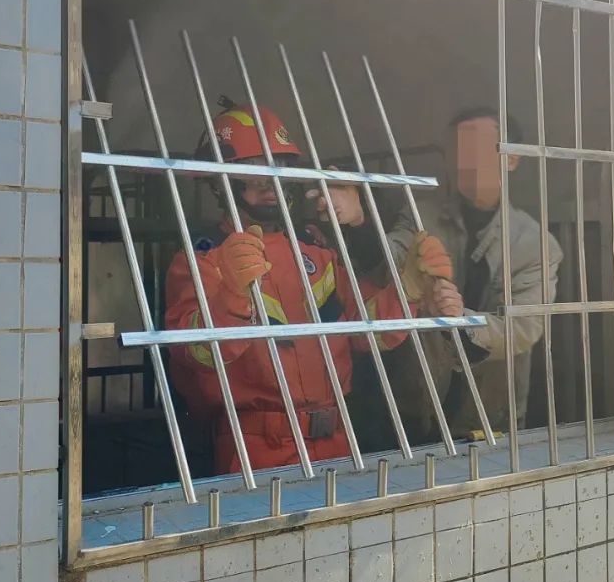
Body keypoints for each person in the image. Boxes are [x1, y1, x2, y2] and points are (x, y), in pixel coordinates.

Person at [163, 102, 463, 474]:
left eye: (278, 167)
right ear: (219, 182)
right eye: (252, 171)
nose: (269, 183)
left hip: (337, 438)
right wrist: (232, 298)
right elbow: (192, 354)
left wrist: (407, 292)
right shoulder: (201, 258)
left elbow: (364, 332)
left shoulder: (317, 249)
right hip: (255, 445)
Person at [323, 106, 563, 445]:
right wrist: (360, 220)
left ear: (511, 159)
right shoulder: (421, 215)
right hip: (414, 409)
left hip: (489, 417)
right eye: (456, 151)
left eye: (476, 148)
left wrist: (460, 321)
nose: (464, 161)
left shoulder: (535, 244)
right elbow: (389, 264)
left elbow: (523, 328)